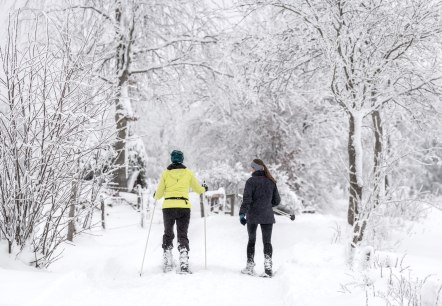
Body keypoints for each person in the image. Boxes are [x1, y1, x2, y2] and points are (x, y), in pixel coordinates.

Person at [153, 150, 207, 273]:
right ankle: (183, 262)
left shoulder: (165, 174)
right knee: (182, 234)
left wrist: (155, 195)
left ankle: (168, 260)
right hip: (183, 206)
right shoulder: (188, 173)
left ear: (172, 159)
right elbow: (198, 189)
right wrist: (204, 188)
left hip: (168, 207)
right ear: (182, 159)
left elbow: (159, 193)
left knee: (168, 233)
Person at [239, 159, 281, 277]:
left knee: (251, 241)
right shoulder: (271, 181)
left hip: (253, 215)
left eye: (251, 167)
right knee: (267, 242)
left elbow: (247, 200)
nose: (250, 169)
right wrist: (267, 204)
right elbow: (276, 201)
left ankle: (250, 267)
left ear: (255, 168)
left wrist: (242, 214)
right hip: (267, 215)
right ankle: (268, 269)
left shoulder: (251, 182)